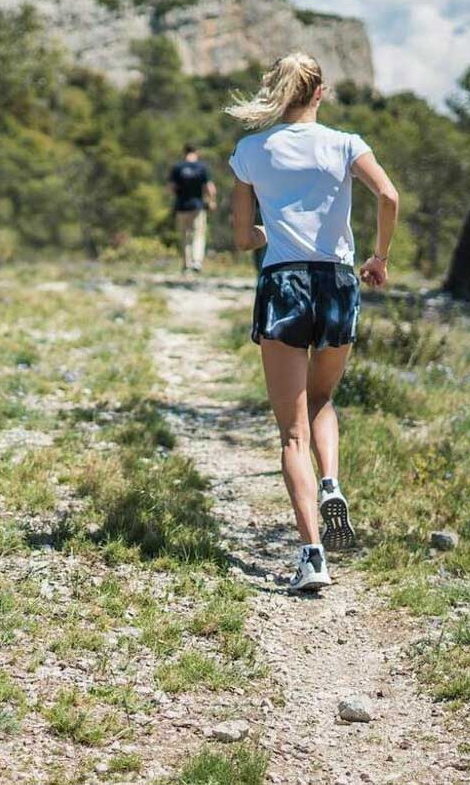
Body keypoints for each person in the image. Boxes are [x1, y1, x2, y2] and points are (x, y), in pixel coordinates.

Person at [226, 52, 399, 592]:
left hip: (283, 284)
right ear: (320, 92)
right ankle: (331, 482)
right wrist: (378, 259)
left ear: (275, 91)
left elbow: (241, 237)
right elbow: (389, 195)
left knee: (291, 431)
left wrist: (267, 234)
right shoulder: (347, 144)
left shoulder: (251, 151)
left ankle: (311, 555)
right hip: (338, 283)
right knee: (323, 399)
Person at [168, 144, 217, 272]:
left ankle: (186, 264)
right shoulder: (202, 168)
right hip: (197, 206)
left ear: (184, 152)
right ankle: (196, 261)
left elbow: (171, 188)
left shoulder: (177, 168)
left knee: (184, 236)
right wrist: (211, 202)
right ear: (197, 152)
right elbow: (210, 188)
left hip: (181, 206)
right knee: (198, 234)